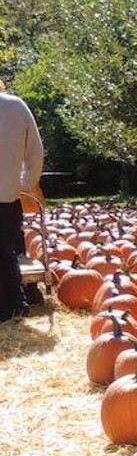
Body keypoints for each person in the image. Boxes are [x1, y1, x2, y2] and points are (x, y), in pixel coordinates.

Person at [0, 85, 44, 322]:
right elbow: (36, 152)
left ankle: (11, 305)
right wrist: (26, 185)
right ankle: (17, 303)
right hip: (8, 195)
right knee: (7, 251)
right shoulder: (16, 106)